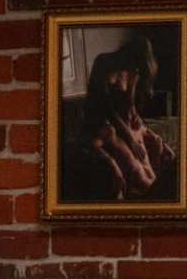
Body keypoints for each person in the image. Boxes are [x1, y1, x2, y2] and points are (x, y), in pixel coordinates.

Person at [61, 38, 178, 201]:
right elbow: (104, 106)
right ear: (127, 55)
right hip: (100, 118)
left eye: (137, 70)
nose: (135, 71)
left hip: (121, 123)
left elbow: (130, 103)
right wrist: (124, 145)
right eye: (135, 67)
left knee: (168, 159)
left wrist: (146, 129)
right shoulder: (102, 63)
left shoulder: (133, 70)